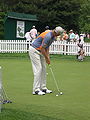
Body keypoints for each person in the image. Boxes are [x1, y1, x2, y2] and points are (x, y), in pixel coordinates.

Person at [29, 26, 64, 95]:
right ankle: (36, 89)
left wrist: (48, 57)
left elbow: (47, 47)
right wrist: (46, 58)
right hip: (34, 50)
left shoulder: (53, 37)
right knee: (38, 69)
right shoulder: (48, 36)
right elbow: (42, 48)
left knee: (44, 69)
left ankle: (43, 88)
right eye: (59, 34)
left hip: (41, 51)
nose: (59, 35)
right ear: (56, 33)